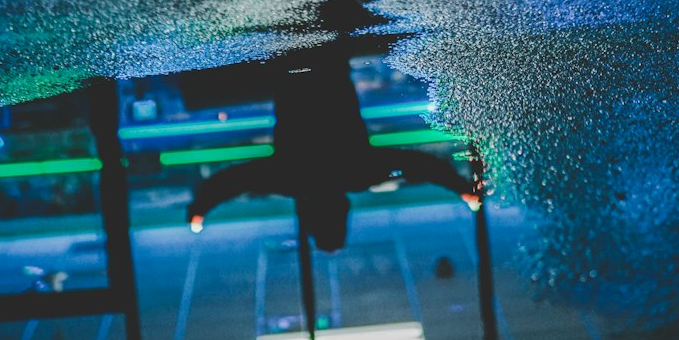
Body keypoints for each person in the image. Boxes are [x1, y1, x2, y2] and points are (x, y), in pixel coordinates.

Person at [186, 38, 480, 252]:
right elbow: (233, 181)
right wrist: (200, 208)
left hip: (329, 70)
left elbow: (420, 165)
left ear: (343, 209)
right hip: (291, 76)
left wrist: (461, 188)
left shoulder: (357, 173)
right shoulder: (291, 179)